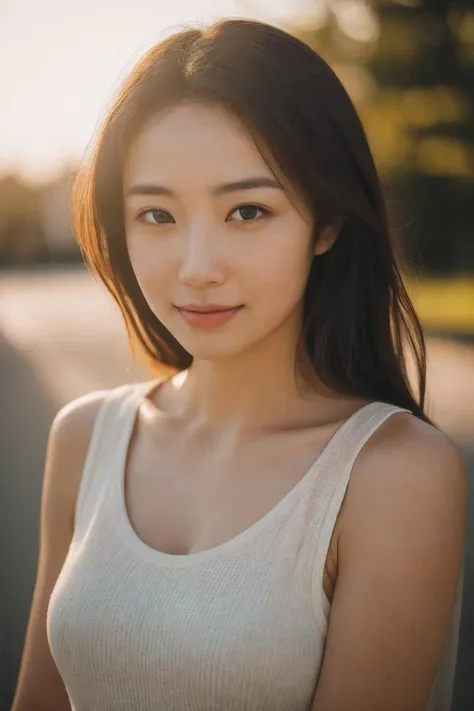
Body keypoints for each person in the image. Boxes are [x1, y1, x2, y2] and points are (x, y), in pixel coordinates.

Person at [11, 18, 466, 711]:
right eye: (157, 216)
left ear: (327, 222)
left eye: (247, 211)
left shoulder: (393, 473)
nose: (197, 269)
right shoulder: (83, 438)